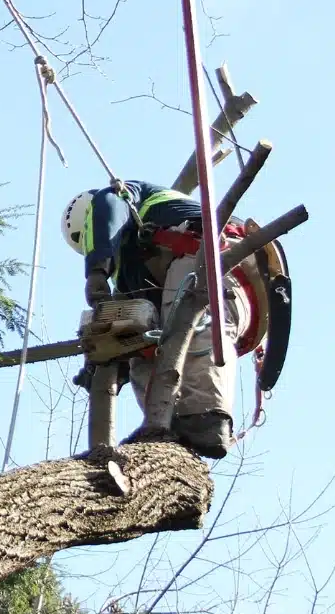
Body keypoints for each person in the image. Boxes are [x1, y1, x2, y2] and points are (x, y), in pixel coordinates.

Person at [61, 182, 257, 459]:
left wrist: (97, 269)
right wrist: (110, 355)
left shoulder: (123, 197)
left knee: (197, 322)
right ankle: (166, 425)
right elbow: (143, 328)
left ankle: (208, 415)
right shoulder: (135, 273)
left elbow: (107, 209)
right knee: (143, 354)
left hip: (211, 255)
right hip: (238, 300)